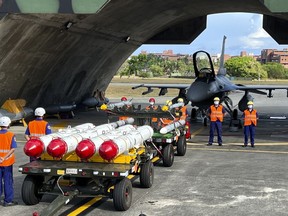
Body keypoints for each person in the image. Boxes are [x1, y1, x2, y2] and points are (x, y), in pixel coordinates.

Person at [0, 116, 18, 207]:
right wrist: (4, 157)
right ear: (8, 124)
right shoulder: (11, 135)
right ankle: (8, 201)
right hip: (7, 163)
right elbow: (13, 149)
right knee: (8, 181)